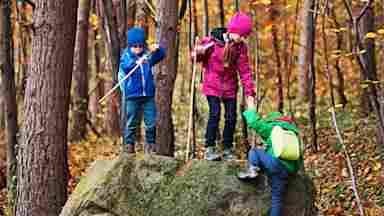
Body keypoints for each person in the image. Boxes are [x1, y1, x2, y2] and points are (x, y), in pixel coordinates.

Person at [193, 13, 256, 161]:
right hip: (212, 85)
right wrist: (197, 52)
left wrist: (250, 93)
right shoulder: (212, 42)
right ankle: (209, 147)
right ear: (234, 30)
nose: (243, 38)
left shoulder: (240, 48)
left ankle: (227, 148)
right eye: (242, 35)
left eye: (245, 36)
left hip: (230, 87)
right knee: (215, 114)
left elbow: (245, 71)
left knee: (231, 117)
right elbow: (196, 57)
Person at [238, 97, 304, 216]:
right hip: (286, 171)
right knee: (277, 199)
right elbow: (298, 156)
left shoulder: (274, 126)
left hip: (275, 163)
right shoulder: (294, 133)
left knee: (255, 151)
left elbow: (255, 123)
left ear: (272, 120)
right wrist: (295, 172)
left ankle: (253, 169)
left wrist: (251, 107)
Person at [118, 27, 166, 154]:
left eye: (140, 45)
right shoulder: (126, 56)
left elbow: (161, 55)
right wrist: (137, 62)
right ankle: (129, 145)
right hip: (132, 96)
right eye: (135, 46)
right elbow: (126, 67)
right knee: (132, 122)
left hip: (148, 95)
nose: (138, 48)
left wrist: (157, 48)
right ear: (130, 45)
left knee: (151, 122)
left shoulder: (148, 56)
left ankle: (150, 145)